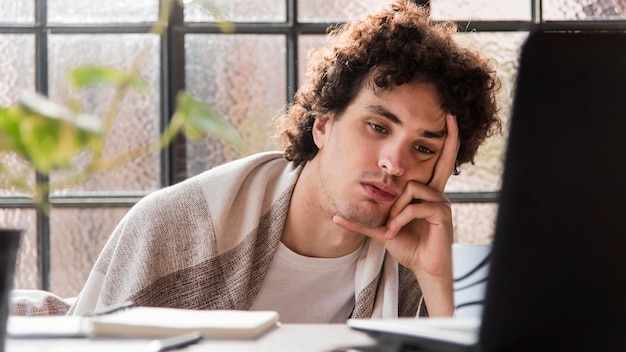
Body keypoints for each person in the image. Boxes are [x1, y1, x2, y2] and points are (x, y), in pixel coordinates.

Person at [11, 0, 501, 322]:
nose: (395, 163)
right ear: (323, 125)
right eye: (377, 127)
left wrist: (436, 282)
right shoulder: (178, 226)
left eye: (424, 148)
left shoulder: (415, 267)